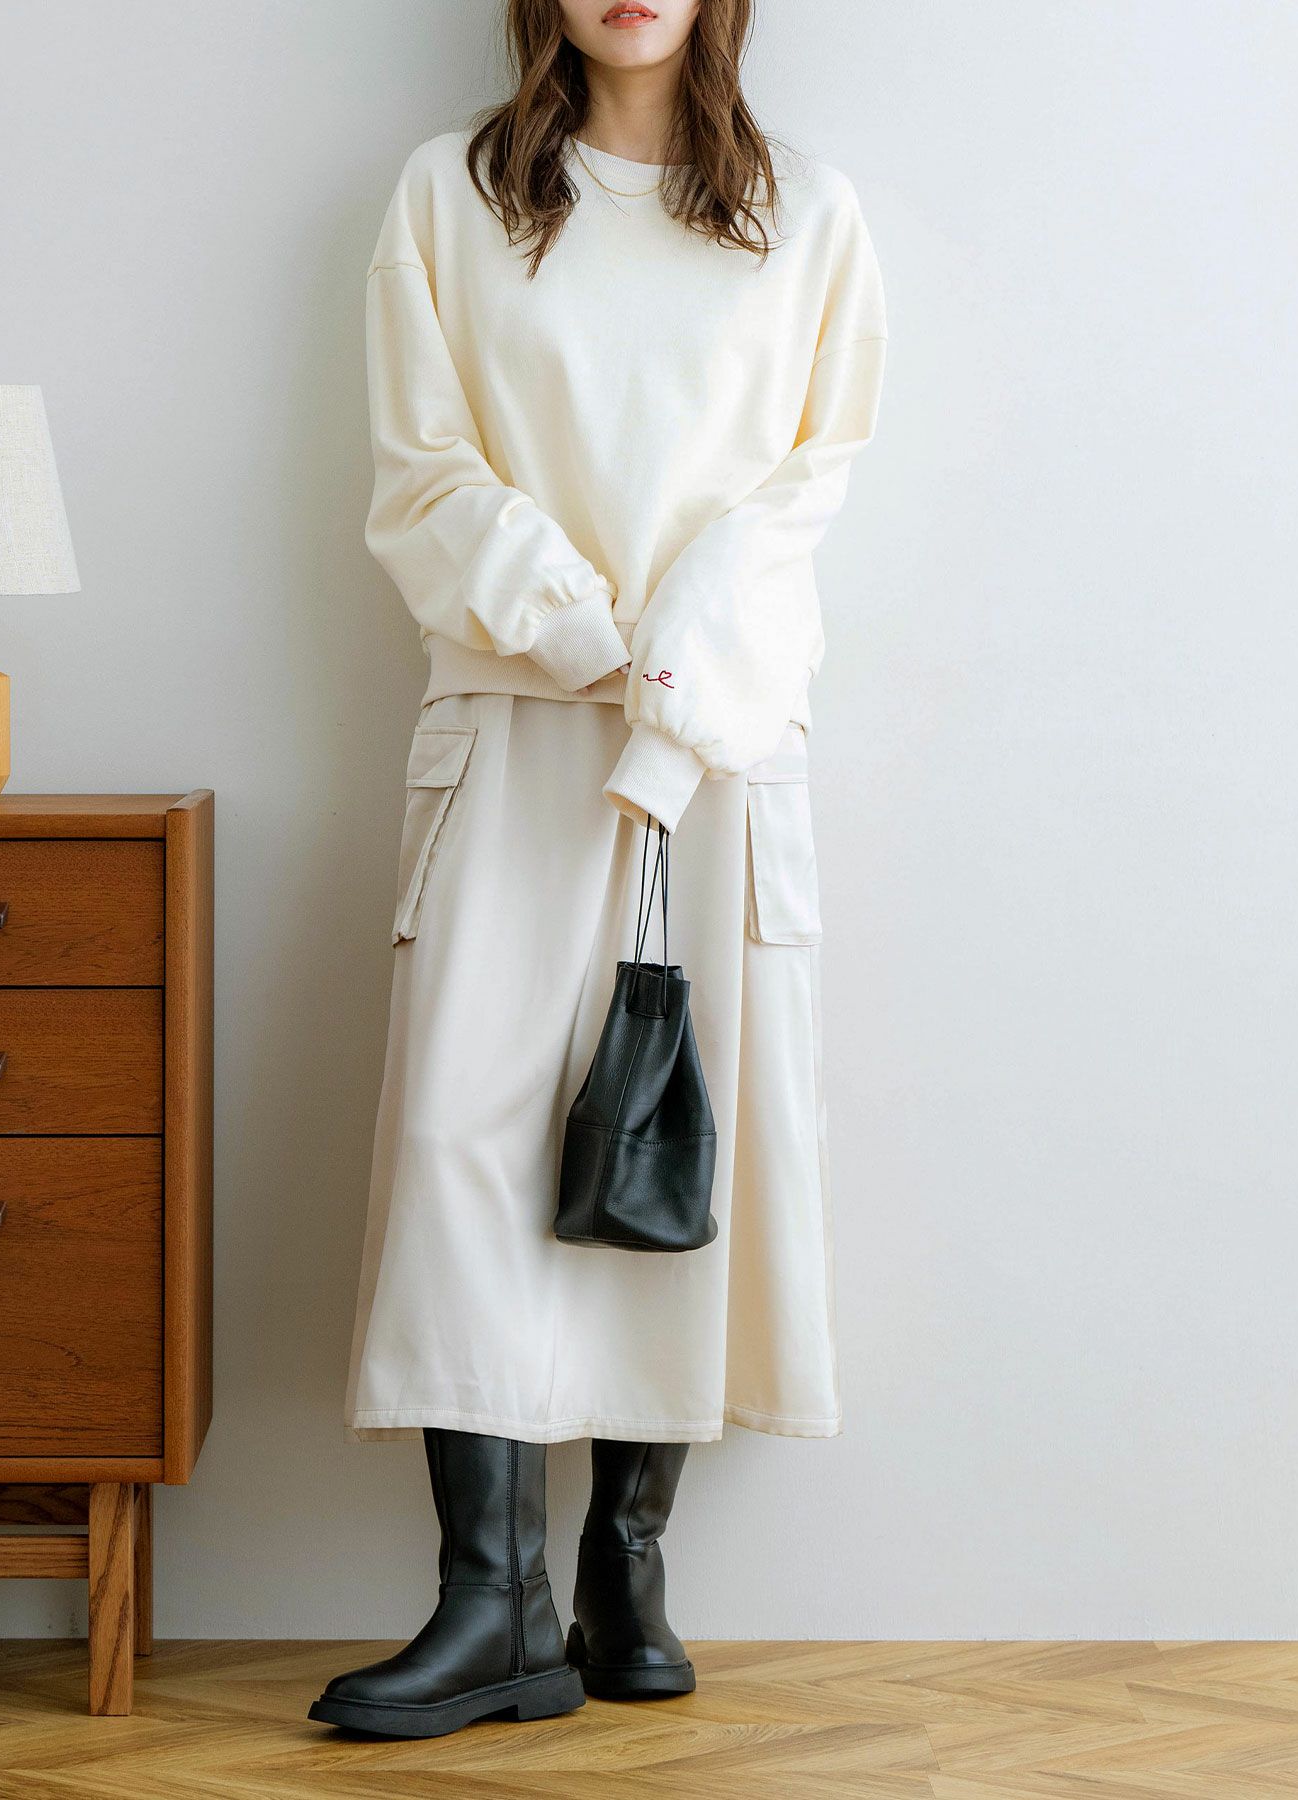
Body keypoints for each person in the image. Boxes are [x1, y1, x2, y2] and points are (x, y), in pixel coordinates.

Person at [310, 0, 887, 1738]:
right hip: (513, 706)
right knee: (464, 1142)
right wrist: (578, 626)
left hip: (711, 740)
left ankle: (627, 1570)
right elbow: (422, 469)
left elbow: (806, 491)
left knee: (673, 1127)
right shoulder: (452, 194)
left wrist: (678, 669)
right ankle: (493, 1602)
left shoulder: (805, 214)